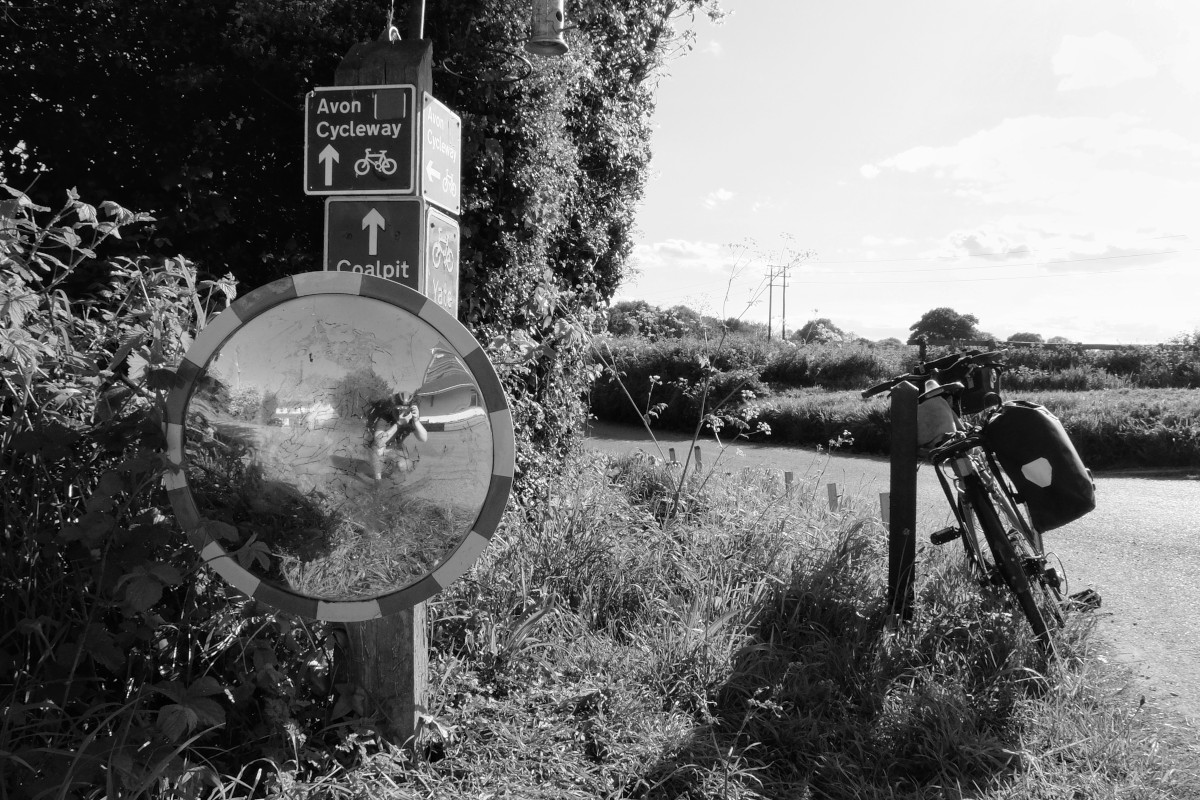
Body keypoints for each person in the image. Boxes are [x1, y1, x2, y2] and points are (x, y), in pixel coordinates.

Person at [365, 392, 428, 480]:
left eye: (405, 410)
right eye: (398, 409)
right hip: (379, 449)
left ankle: (390, 471)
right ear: (392, 407)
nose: (401, 413)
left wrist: (416, 420)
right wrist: (398, 424)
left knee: (404, 465)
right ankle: (377, 479)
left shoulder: (410, 419)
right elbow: (379, 441)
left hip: (395, 449)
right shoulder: (385, 417)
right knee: (378, 449)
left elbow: (424, 438)